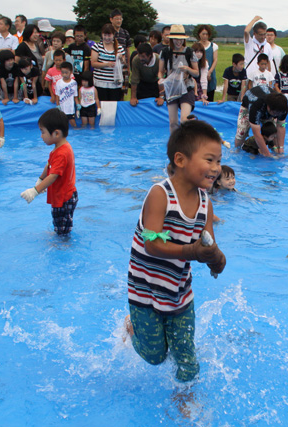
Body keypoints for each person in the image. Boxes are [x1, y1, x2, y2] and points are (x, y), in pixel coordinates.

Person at [124, 120, 226, 382]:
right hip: (144, 290)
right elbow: (152, 244)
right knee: (156, 356)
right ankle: (132, 327)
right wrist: (192, 251)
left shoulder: (206, 204)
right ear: (180, 160)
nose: (217, 168)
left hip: (180, 293)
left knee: (186, 356)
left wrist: (216, 259)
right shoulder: (160, 195)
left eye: (219, 161)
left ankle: (184, 403)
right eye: (210, 160)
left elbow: (208, 246)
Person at [20, 108, 78, 236]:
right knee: (58, 221)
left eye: (43, 132)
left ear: (56, 133)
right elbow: (49, 165)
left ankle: (64, 243)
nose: (41, 136)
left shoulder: (62, 153)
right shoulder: (58, 148)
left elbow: (53, 176)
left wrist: (35, 190)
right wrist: (41, 179)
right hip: (63, 195)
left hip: (64, 198)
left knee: (63, 229)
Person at [158, 25, 199, 131]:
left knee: (184, 120)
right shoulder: (165, 52)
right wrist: (161, 80)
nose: (178, 42)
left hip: (187, 87)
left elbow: (196, 73)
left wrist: (187, 69)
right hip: (172, 88)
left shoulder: (189, 52)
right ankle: (174, 145)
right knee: (173, 123)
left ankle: (186, 143)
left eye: (180, 39)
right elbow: (160, 72)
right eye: (176, 39)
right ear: (171, 39)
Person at [234, 85, 288, 157]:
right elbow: (256, 133)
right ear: (268, 107)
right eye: (275, 113)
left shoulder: (283, 108)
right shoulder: (256, 106)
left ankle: (275, 149)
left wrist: (281, 149)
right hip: (248, 106)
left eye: (278, 114)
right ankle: (237, 150)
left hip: (268, 107)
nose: (276, 115)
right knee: (241, 132)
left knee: (272, 131)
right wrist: (267, 154)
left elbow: (281, 126)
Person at [91, 24, 126, 101]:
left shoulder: (119, 48)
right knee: (102, 105)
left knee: (113, 106)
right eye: (105, 35)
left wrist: (121, 59)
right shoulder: (96, 47)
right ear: (102, 34)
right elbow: (93, 63)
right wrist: (106, 64)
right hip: (100, 82)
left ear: (113, 35)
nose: (107, 38)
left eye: (109, 35)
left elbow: (124, 63)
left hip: (115, 84)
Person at [15, 24, 45, 92]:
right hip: (28, 80)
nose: (36, 34)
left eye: (37, 32)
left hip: (38, 77)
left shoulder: (37, 45)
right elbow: (16, 63)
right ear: (28, 33)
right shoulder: (22, 46)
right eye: (34, 32)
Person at [110, 9, 132, 97]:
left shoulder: (125, 33)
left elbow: (128, 50)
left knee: (123, 89)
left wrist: (128, 66)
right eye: (116, 19)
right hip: (112, 64)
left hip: (123, 65)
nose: (119, 21)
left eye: (120, 19)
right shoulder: (108, 32)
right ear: (111, 19)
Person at [194, 24, 218, 102]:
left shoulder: (213, 46)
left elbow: (215, 60)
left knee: (209, 97)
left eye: (206, 34)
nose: (205, 36)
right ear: (199, 34)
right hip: (197, 76)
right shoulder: (196, 46)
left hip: (209, 75)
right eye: (203, 34)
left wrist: (209, 72)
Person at [55, 62, 78, 128]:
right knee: (62, 125)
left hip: (71, 108)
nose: (64, 74)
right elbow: (57, 95)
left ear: (71, 72)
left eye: (66, 72)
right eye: (62, 72)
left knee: (73, 124)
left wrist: (77, 104)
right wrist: (58, 105)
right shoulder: (59, 83)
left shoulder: (74, 83)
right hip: (62, 108)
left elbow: (75, 96)